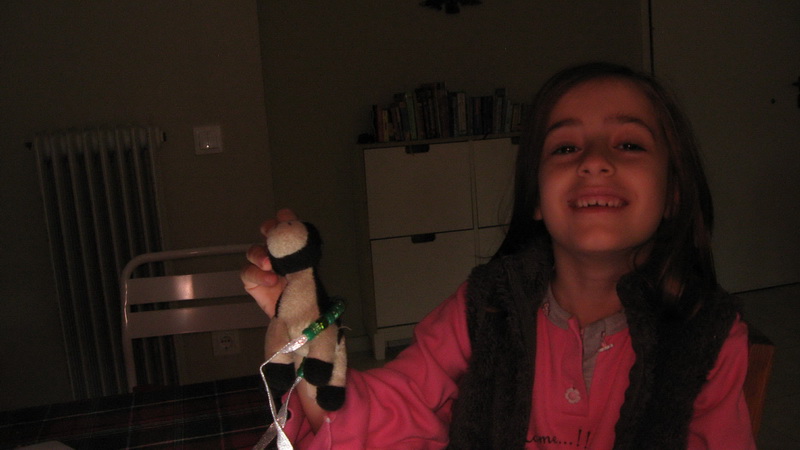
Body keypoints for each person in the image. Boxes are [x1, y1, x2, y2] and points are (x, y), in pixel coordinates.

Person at [241, 62, 756, 449]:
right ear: (536, 198)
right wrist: (305, 328)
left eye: (629, 145)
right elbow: (388, 410)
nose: (595, 161)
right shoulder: (485, 304)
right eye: (566, 148)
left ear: (673, 193)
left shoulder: (706, 331)